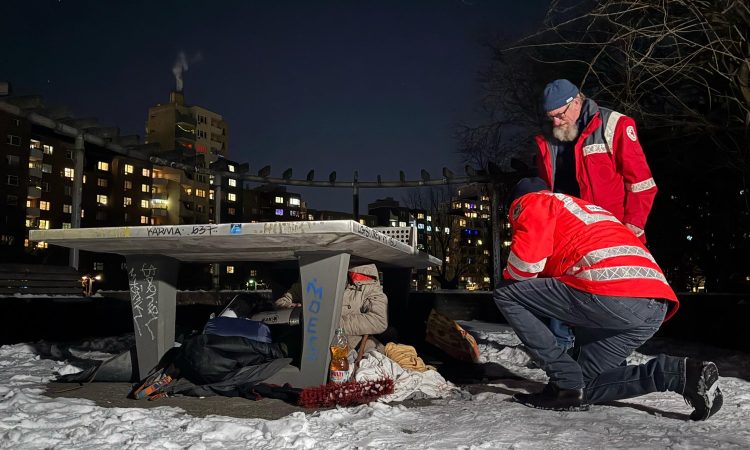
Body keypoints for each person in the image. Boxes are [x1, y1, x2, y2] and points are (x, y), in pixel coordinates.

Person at [493, 177, 723, 420]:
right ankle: (683, 374)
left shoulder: (532, 200)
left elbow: (525, 267)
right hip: (654, 304)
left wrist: (512, 274)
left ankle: (563, 377)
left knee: (507, 293)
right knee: (582, 386)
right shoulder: (586, 211)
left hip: (612, 291)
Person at [537, 79, 659, 350]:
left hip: (608, 233)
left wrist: (631, 229)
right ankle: (564, 367)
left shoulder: (615, 125)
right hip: (566, 233)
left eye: (560, 115)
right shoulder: (548, 138)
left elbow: (641, 184)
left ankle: (602, 362)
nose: (556, 122)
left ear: (577, 102)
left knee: (604, 299)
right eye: (551, 117)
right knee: (560, 297)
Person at [275, 263, 388, 352]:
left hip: (351, 348)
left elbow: (379, 320)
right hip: (312, 345)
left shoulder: (368, 286)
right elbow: (281, 303)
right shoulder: (311, 283)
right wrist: (298, 310)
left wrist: (331, 323)